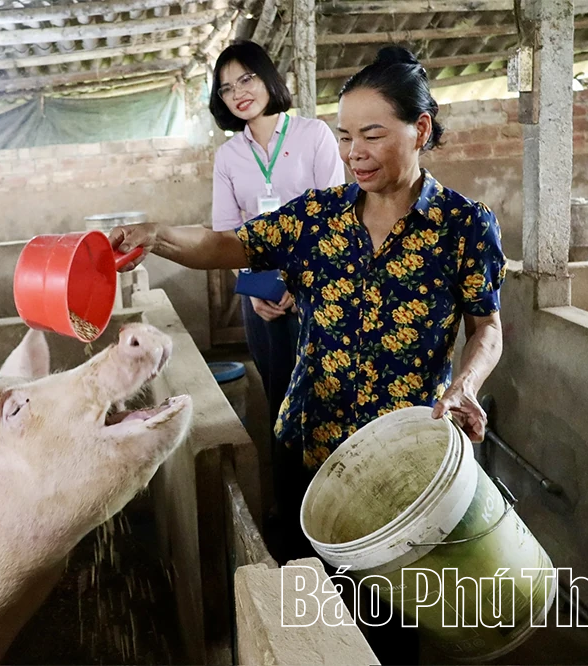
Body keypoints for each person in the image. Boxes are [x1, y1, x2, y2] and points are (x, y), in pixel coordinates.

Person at [111, 45, 507, 561]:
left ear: (421, 130)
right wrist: (157, 235)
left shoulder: (464, 226)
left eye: (372, 135)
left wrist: (466, 386)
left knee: (391, 608)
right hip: (309, 438)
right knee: (311, 591)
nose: (353, 153)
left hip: (402, 448)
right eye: (345, 136)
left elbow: (487, 328)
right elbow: (226, 244)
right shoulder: (318, 217)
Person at [207, 40, 345, 547]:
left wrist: (293, 281)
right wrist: (260, 288)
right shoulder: (229, 156)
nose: (238, 92)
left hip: (317, 292)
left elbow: (333, 217)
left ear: (268, 78)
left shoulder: (313, 135)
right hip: (262, 301)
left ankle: (337, 516)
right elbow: (227, 235)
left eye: (246, 78)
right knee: (280, 401)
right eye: (226, 87)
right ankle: (293, 525)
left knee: (326, 399)